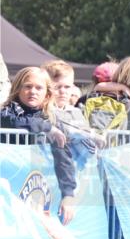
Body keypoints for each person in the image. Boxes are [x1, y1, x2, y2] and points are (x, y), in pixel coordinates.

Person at [0, 67, 77, 224]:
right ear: (17, 89)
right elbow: (12, 122)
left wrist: (68, 194)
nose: (32, 91)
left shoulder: (53, 121)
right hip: (9, 189)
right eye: (27, 86)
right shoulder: (7, 112)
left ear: (47, 94)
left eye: (38, 87)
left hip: (37, 191)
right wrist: (45, 128)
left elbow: (64, 161)